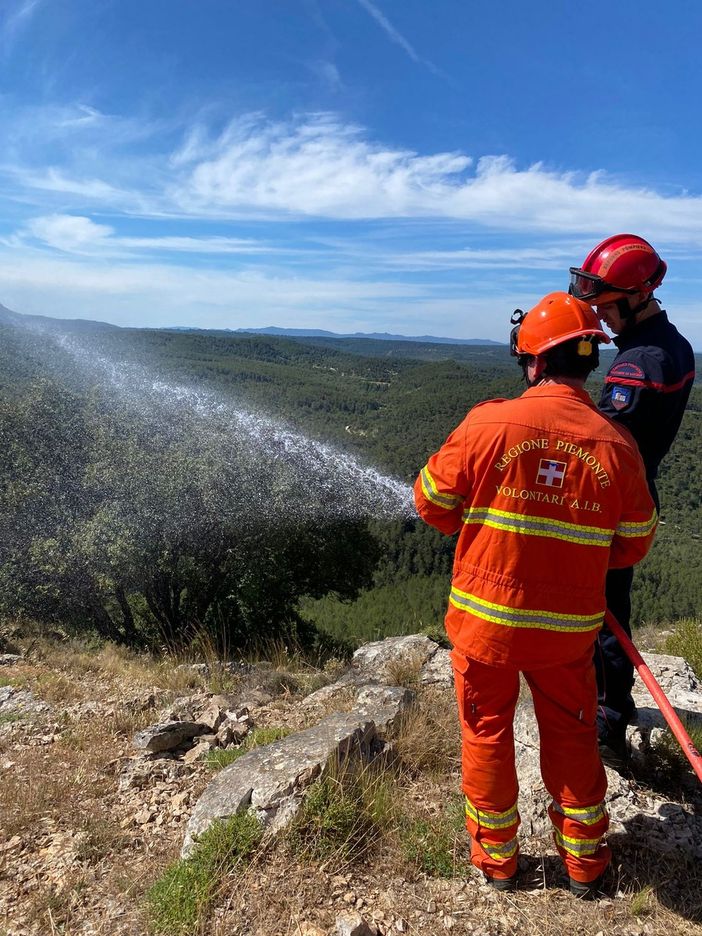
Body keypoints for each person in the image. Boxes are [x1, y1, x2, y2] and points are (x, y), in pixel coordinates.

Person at [414, 292, 656, 897]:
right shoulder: (617, 446)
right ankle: (585, 867)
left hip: (483, 628)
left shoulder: (488, 422)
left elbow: (432, 503)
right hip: (567, 633)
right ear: (589, 361)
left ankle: (497, 862)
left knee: (486, 734)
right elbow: (632, 544)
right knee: (573, 737)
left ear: (533, 361)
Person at [569, 234, 696, 764]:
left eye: (605, 307)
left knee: (602, 619)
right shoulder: (670, 345)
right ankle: (604, 709)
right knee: (604, 610)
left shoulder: (638, 366)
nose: (599, 318)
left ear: (639, 296)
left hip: (610, 506)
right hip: (630, 499)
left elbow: (603, 444)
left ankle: (608, 721)